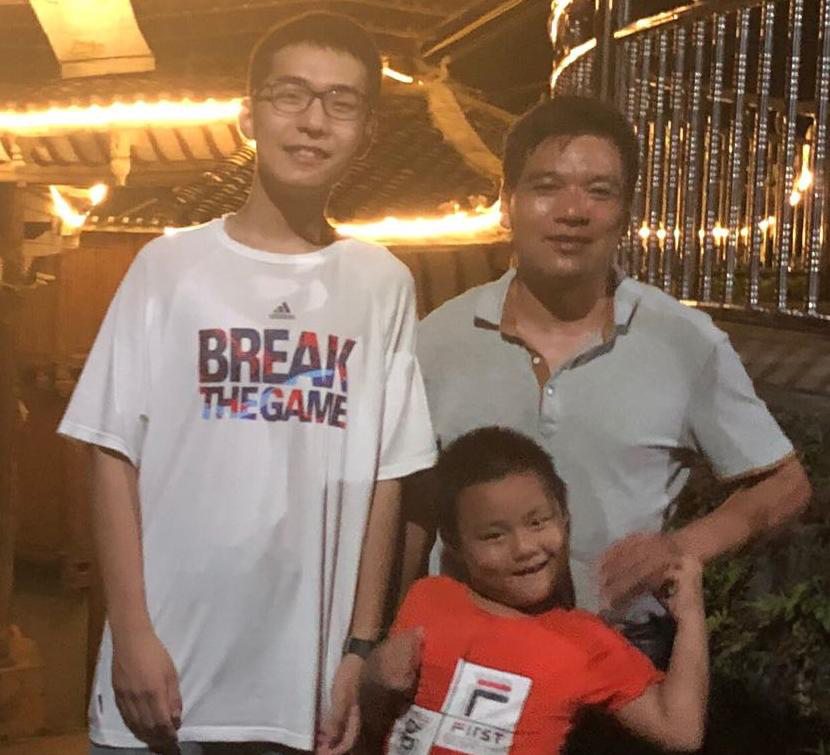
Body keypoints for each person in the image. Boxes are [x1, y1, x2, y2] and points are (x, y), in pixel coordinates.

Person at [59, 12, 436, 755]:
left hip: (299, 691)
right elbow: (110, 453)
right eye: (290, 94)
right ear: (248, 113)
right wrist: (129, 633)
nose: (313, 121)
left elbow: (386, 479)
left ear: (367, 131)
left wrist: (358, 650)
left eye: (341, 102)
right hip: (161, 680)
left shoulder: (381, 282)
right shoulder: (168, 267)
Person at [406, 95, 810, 668]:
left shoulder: (683, 341)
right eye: (547, 187)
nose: (574, 211)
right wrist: (384, 634)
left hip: (619, 655)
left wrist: (681, 548)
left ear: (624, 214)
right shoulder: (436, 339)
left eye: (600, 191)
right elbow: (410, 504)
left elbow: (785, 482)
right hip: (463, 652)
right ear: (507, 203)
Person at [364, 427, 708, 754]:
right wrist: (374, 677)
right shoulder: (428, 598)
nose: (525, 548)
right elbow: (370, 718)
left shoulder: (587, 642)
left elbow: (680, 731)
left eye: (538, 522)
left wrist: (690, 615)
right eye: (494, 535)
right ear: (454, 543)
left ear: (564, 518)